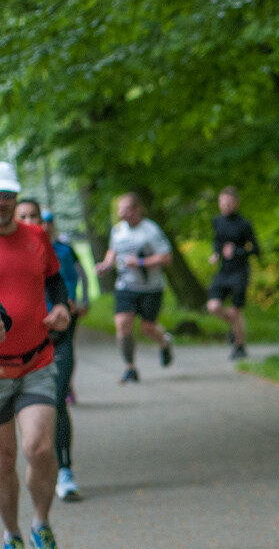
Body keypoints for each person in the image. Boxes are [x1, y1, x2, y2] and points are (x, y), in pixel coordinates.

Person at [0, 163, 72, 549]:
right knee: (3, 459)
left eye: (6, 195)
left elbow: (55, 280)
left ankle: (41, 525)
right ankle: (11, 536)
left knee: (39, 448)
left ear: (14, 197)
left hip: (37, 360)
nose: (1, 203)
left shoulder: (35, 236)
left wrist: (60, 305)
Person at [15, 201, 88, 500]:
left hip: (58, 338)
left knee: (57, 400)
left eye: (38, 217)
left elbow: (74, 280)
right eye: (26, 216)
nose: (33, 222)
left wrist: (72, 303)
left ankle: (65, 471)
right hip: (19, 345)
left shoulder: (60, 251)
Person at [94, 192, 174, 383]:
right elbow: (113, 250)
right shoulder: (118, 230)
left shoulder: (150, 231)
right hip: (125, 286)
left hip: (150, 288)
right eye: (120, 209)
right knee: (122, 324)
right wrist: (106, 264)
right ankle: (130, 368)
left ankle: (164, 342)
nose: (122, 213)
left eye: (127, 209)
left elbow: (166, 257)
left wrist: (140, 262)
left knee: (148, 328)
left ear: (138, 209)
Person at [206, 186, 259, 360]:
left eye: (228, 203)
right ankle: (235, 328)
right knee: (213, 306)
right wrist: (216, 253)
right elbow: (217, 241)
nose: (225, 206)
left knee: (236, 310)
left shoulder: (244, 224)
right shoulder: (218, 221)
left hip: (240, 271)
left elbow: (255, 249)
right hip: (224, 271)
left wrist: (237, 251)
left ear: (236, 203)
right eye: (222, 203)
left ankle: (239, 346)